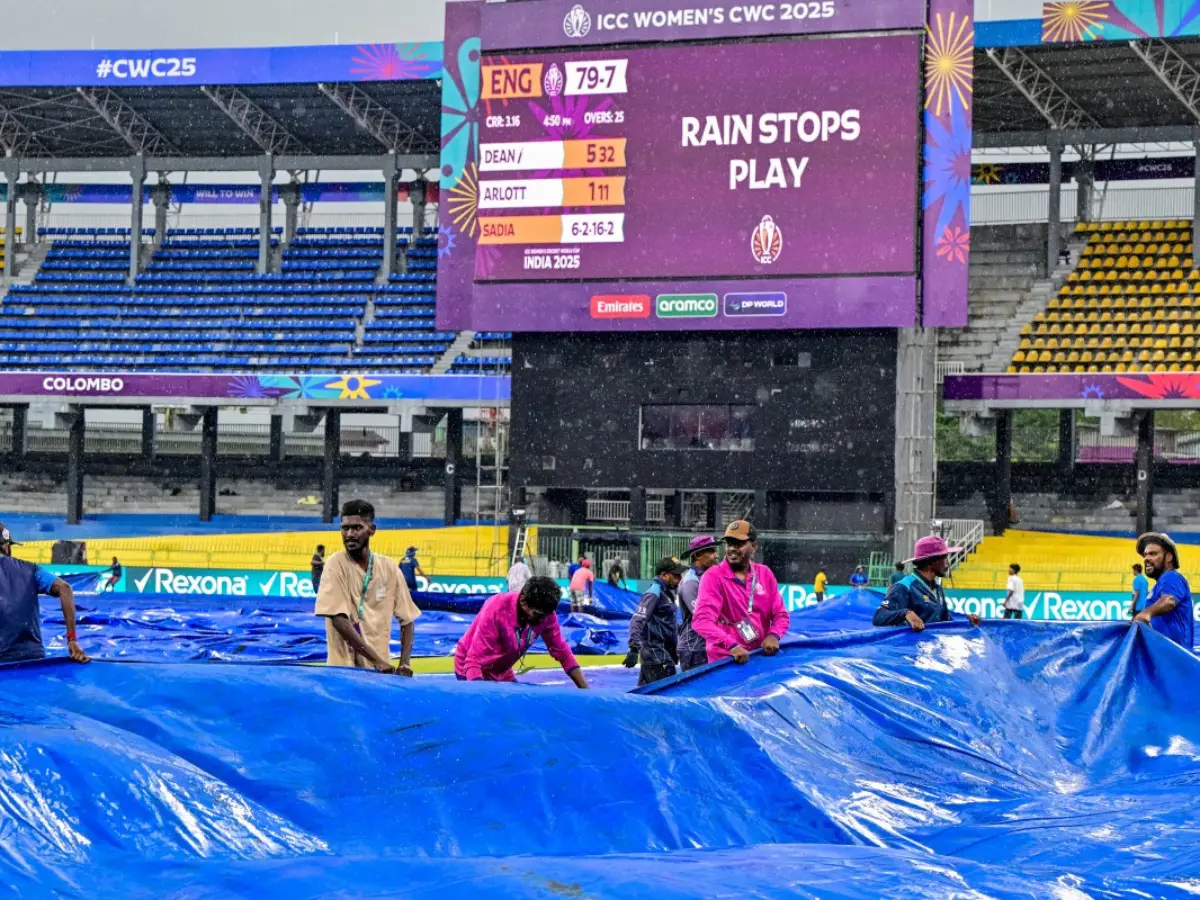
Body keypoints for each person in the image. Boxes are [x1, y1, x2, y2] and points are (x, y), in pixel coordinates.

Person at [314, 500, 421, 675]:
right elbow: (338, 619)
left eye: (357, 528)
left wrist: (405, 663)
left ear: (372, 529)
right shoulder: (335, 564)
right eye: (345, 528)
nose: (349, 534)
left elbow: (408, 619)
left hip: (381, 672)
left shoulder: (389, 568)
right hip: (343, 670)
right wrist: (376, 661)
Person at [454, 575, 589, 687]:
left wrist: (586, 692)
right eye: (537, 615)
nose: (542, 621)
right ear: (523, 601)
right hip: (469, 666)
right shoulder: (496, 608)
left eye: (545, 615)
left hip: (501, 669)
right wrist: (479, 700)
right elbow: (474, 661)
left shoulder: (546, 615)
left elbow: (562, 652)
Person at [693, 521, 790, 664]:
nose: (732, 548)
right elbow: (702, 621)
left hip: (759, 658)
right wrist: (731, 645)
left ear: (754, 546)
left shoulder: (764, 573)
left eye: (739, 544)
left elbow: (781, 614)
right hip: (727, 661)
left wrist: (774, 635)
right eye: (729, 543)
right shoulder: (713, 576)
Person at [0, 524, 89, 664]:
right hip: (31, 657)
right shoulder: (31, 569)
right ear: (6, 546)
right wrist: (72, 639)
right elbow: (65, 588)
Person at [873, 535, 982, 631]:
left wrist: (967, 620)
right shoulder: (905, 587)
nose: (947, 564)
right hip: (911, 652)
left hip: (932, 652)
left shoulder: (938, 589)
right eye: (944, 558)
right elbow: (878, 617)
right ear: (932, 562)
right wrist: (906, 613)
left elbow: (946, 620)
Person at [625, 557, 688, 686]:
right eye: (676, 575)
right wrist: (633, 648)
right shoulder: (654, 593)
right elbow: (637, 620)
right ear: (664, 575)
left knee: (646, 697)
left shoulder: (666, 594)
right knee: (666, 696)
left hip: (659, 655)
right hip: (657, 656)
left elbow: (666, 623)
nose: (680, 579)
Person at [1134, 532, 1193, 649]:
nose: (1146, 559)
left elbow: (1169, 600)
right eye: (1145, 555)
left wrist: (1147, 613)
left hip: (1175, 658)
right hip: (1166, 657)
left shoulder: (1171, 577)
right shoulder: (1160, 584)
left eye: (1153, 554)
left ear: (1169, 557)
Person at [678, 535, 720, 670]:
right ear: (697, 556)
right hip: (694, 649)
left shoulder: (707, 578)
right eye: (711, 551)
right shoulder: (691, 582)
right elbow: (703, 616)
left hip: (705, 647)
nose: (716, 556)